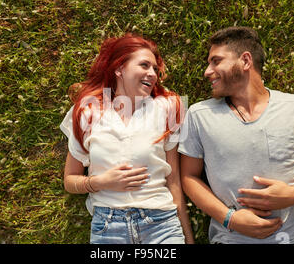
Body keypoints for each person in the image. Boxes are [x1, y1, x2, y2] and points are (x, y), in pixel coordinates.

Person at [178, 26, 294, 244]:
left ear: (245, 60)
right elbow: (188, 177)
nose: (207, 71)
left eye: (216, 61)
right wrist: (230, 218)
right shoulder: (199, 114)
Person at [60, 33, 194, 244]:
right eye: (144, 65)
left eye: (155, 70)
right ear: (119, 68)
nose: (152, 74)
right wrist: (101, 182)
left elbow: (173, 179)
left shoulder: (168, 107)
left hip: (161, 223)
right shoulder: (88, 112)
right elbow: (70, 181)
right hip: (108, 227)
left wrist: (187, 237)